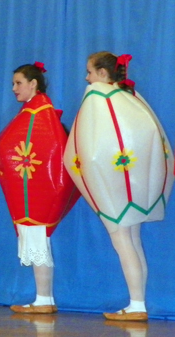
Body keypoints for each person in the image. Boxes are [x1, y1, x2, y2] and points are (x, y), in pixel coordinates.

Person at [64, 52, 174, 321]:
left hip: (112, 185)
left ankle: (136, 306)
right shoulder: (131, 97)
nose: (86, 78)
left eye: (89, 71)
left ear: (103, 73)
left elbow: (87, 150)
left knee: (124, 242)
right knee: (133, 242)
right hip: (134, 184)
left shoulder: (97, 96)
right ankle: (138, 303)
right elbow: (156, 141)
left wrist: (94, 176)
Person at [0, 63, 79, 314]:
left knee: (38, 240)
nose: (14, 88)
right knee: (36, 241)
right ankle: (44, 298)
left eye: (18, 83)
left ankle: (44, 299)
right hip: (32, 188)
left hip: (38, 190)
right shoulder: (33, 112)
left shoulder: (40, 113)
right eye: (13, 83)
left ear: (33, 84)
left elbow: (52, 150)